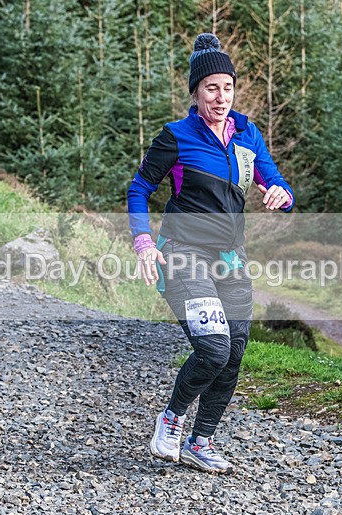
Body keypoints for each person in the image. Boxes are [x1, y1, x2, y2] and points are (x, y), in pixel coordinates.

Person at [127, 33, 295, 474]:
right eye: (211, 88)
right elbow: (139, 189)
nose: (221, 97)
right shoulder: (176, 137)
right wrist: (143, 242)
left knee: (235, 352)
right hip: (183, 255)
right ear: (196, 92)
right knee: (214, 348)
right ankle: (171, 420)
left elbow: (276, 181)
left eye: (228, 87)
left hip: (231, 258)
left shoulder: (248, 134)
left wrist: (280, 192)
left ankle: (201, 442)